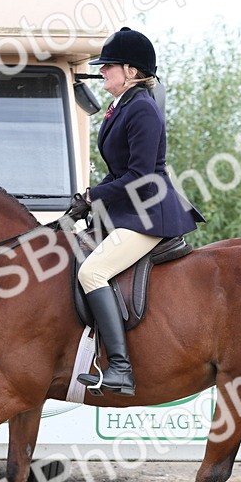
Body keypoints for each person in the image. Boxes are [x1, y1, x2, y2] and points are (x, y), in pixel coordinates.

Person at [66, 26, 204, 396]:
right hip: (127, 211)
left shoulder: (141, 108)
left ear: (130, 71)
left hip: (149, 214)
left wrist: (95, 195)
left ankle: (121, 370)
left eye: (109, 66)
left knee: (93, 272)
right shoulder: (122, 106)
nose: (102, 71)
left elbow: (140, 175)